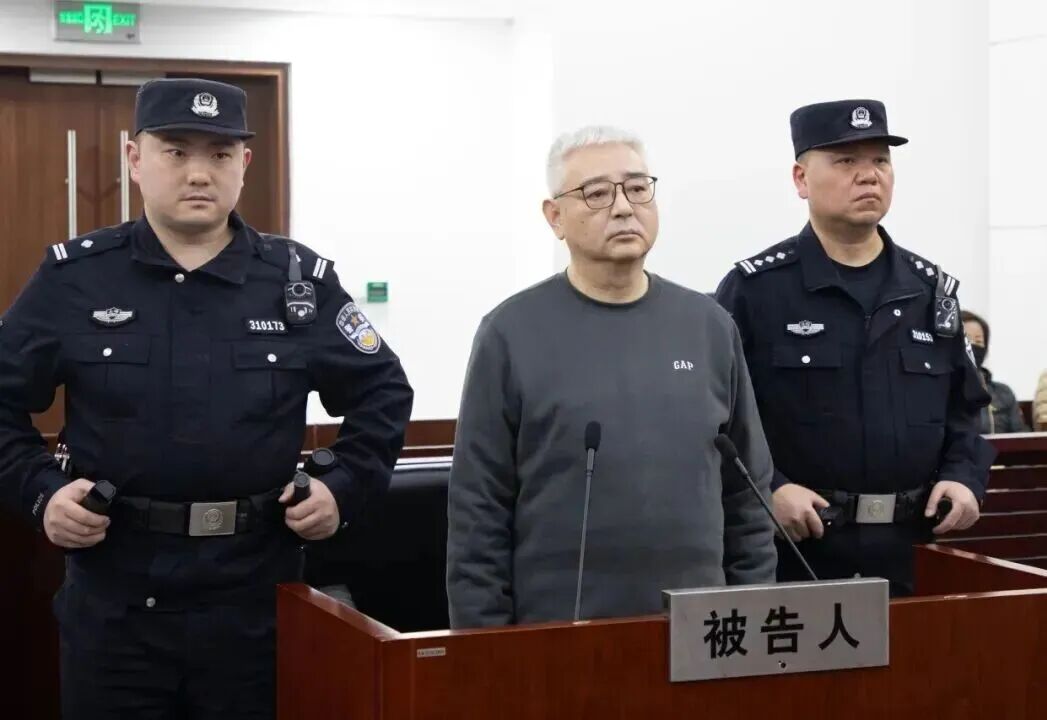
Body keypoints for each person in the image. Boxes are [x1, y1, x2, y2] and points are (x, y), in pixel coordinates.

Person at [0, 78, 413, 719]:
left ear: (244, 164)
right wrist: (40, 492)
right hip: (117, 605)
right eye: (175, 151)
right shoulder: (75, 278)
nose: (199, 173)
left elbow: (382, 391)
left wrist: (344, 487)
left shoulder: (297, 283)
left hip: (256, 602)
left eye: (219, 154)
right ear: (135, 159)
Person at [446, 126, 776, 628]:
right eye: (597, 193)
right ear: (554, 216)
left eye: (638, 188)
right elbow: (478, 510)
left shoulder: (708, 325)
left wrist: (752, 613)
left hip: (704, 632)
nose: (624, 208)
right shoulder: (510, 333)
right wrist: (484, 646)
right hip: (558, 635)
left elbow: (748, 494)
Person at [716, 100, 993, 596]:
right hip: (798, 551)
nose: (869, 175)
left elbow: (966, 410)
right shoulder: (755, 291)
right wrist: (770, 489)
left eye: (880, 161)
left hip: (913, 550)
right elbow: (719, 420)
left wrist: (963, 477)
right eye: (846, 161)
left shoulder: (929, 291)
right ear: (801, 179)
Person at [961, 310, 1028, 434]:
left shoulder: (1003, 393)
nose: (973, 346)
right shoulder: (940, 390)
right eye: (967, 340)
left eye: (979, 341)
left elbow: (1020, 436)